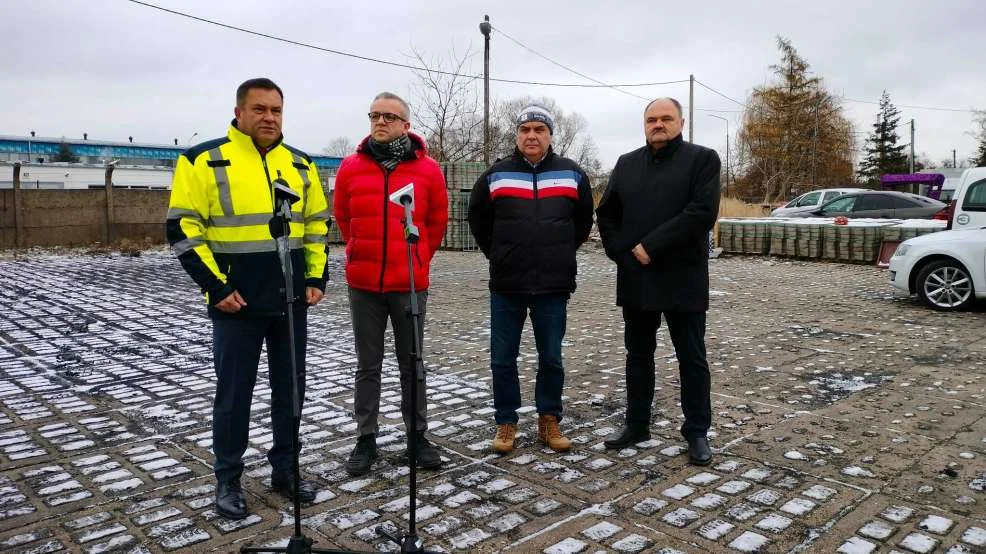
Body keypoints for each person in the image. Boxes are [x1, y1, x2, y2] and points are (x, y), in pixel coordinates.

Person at [165, 78, 330, 519]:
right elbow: (182, 229)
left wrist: (316, 276)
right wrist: (216, 288)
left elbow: (316, 225)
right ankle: (227, 478)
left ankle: (286, 469)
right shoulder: (203, 160)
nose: (269, 118)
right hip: (236, 304)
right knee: (234, 396)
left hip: (291, 302)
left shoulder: (299, 164)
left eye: (276, 110)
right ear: (239, 112)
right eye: (259, 109)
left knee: (290, 393)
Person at [595, 97, 721, 465]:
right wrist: (621, 253)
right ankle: (637, 424)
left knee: (691, 358)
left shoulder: (702, 160)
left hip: (683, 277)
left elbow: (701, 213)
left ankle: (697, 432)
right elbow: (607, 214)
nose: (658, 124)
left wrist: (651, 245)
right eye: (652, 119)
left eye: (666, 118)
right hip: (637, 278)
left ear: (682, 122)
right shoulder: (627, 163)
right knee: (638, 356)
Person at [333, 92, 449, 476]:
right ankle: (366, 438)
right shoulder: (351, 167)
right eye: (374, 116)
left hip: (409, 284)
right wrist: (359, 251)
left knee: (412, 362)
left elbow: (436, 222)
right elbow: (344, 217)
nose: (380, 122)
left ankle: (417, 435)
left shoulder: (428, 169)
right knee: (368, 365)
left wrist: (416, 259)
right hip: (364, 283)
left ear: (406, 125)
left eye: (389, 117)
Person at [468, 105, 594, 455]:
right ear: (517, 135)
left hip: (553, 285)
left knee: (551, 357)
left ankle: (549, 420)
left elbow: (583, 222)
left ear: (551, 135)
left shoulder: (572, 174)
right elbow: (478, 219)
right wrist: (499, 254)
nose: (532, 135)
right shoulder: (497, 175)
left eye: (539, 129)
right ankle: (506, 421)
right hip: (507, 285)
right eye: (525, 129)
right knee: (502, 358)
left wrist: (560, 251)